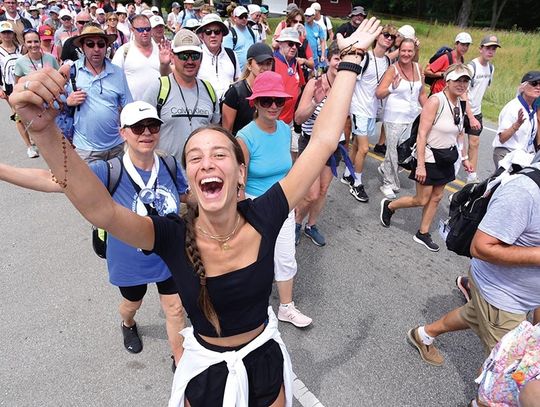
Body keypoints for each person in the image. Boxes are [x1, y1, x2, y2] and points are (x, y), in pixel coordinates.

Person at [8, 16, 381, 405]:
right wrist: (43, 129)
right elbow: (100, 210)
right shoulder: (170, 233)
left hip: (263, 359)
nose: (207, 163)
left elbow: (322, 140)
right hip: (204, 369)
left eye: (220, 153)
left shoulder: (266, 212)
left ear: (240, 172)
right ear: (188, 177)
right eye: (195, 157)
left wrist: (351, 60)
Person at [0, 101, 187, 369]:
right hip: (129, 261)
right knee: (132, 303)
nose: (146, 132)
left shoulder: (168, 162)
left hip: (167, 255)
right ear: (123, 132)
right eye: (137, 127)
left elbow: (184, 195)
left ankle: (180, 362)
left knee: (175, 309)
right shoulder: (108, 170)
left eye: (153, 125)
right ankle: (128, 323)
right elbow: (50, 179)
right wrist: (2, 171)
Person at [405, 162, 540, 367]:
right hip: (503, 297)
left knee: (473, 314)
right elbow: (481, 247)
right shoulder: (525, 191)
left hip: (507, 297)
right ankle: (481, 401)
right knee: (508, 376)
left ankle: (423, 334)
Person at [237, 70, 312, 328]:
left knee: (285, 255)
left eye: (278, 101)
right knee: (254, 258)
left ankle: (286, 307)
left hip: (283, 204)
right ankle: (249, 308)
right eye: (266, 100)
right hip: (255, 204)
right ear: (255, 102)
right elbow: (239, 182)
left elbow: (289, 168)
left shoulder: (284, 129)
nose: (273, 106)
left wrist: (297, 198)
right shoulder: (244, 138)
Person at [380, 64, 473, 252]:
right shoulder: (435, 101)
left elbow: (460, 133)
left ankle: (423, 233)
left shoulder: (460, 104)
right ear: (447, 81)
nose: (462, 84)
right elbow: (422, 134)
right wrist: (420, 165)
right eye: (458, 80)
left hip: (447, 157)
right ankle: (390, 206)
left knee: (437, 197)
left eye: (465, 81)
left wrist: (464, 158)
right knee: (422, 199)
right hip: (429, 156)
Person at [142, 29, 220, 161]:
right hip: (167, 173)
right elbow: (140, 131)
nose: (190, 61)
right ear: (172, 56)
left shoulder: (209, 90)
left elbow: (216, 130)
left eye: (195, 56)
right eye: (183, 56)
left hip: (201, 172)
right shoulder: (159, 88)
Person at [294, 41, 344, 247]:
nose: (340, 64)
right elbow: (298, 118)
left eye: (344, 59)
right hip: (312, 144)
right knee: (310, 193)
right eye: (337, 58)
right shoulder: (315, 83)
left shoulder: (346, 87)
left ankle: (311, 225)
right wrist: (315, 101)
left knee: (323, 191)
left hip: (333, 146)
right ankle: (296, 223)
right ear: (328, 60)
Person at [344, 24, 395, 203]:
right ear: (377, 37)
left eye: (392, 37)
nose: (389, 38)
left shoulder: (387, 61)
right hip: (359, 108)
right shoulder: (365, 57)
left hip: (372, 110)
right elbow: (351, 82)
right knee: (365, 149)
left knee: (358, 146)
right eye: (386, 35)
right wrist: (347, 108)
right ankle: (356, 183)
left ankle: (347, 173)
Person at [67, 25, 132, 162]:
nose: (96, 49)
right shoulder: (72, 71)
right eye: (90, 44)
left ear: (106, 47)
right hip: (86, 149)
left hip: (117, 146)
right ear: (82, 47)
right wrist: (69, 101)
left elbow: (128, 107)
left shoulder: (117, 72)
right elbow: (56, 105)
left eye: (101, 44)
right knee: (87, 184)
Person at [375, 38, 427, 199]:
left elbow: (422, 94)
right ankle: (388, 183)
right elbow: (379, 92)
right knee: (392, 152)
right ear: (399, 51)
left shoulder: (418, 68)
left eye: (409, 51)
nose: (406, 54)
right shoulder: (393, 69)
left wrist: (428, 112)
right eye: (403, 50)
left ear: (414, 52)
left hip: (412, 118)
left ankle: (385, 167)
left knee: (405, 152)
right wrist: (392, 88)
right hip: (394, 117)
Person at [13, 28, 59, 158]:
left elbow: (60, 77)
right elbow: (17, 85)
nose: (33, 45)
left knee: (55, 136)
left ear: (40, 41)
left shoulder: (50, 58)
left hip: (51, 104)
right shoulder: (20, 62)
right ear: (24, 43)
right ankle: (34, 149)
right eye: (29, 42)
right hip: (33, 105)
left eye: (36, 41)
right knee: (42, 138)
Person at [463, 35, 501, 183]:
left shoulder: (491, 68)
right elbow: (463, 92)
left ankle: (471, 176)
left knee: (474, 143)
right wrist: (470, 116)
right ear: (480, 49)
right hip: (462, 109)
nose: (490, 52)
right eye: (488, 48)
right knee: (456, 144)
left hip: (476, 110)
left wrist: (474, 114)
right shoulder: (471, 67)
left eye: (494, 49)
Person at [221, 42, 273, 135]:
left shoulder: (272, 91)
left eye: (268, 64)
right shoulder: (235, 92)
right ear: (249, 65)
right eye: (260, 63)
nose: (265, 68)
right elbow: (227, 131)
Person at [492, 71, 540, 168]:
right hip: (506, 154)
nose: (538, 87)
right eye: (534, 83)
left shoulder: (532, 109)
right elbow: (502, 138)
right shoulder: (513, 108)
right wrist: (516, 125)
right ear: (523, 87)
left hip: (522, 157)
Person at [112, 15, 162, 101]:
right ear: (132, 30)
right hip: (132, 108)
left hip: (159, 107)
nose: (145, 32)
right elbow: (113, 80)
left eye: (148, 29)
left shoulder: (161, 50)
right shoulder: (123, 51)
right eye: (140, 30)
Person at [273, 27, 305, 160]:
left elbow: (300, 86)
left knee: (292, 154)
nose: (294, 47)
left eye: (296, 44)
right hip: (274, 121)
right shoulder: (272, 62)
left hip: (289, 121)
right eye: (290, 43)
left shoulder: (295, 64)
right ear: (280, 43)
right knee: (275, 155)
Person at [195, 13, 239, 101]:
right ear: (202, 36)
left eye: (217, 31)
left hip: (229, 108)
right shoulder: (196, 55)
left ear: (222, 35)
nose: (213, 35)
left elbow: (238, 80)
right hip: (204, 107)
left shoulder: (231, 54)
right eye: (208, 32)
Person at [222, 5, 255, 71]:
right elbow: (226, 56)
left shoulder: (251, 31)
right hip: (237, 72)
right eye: (241, 17)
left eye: (245, 16)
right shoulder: (230, 34)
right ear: (234, 18)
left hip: (250, 71)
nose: (244, 19)